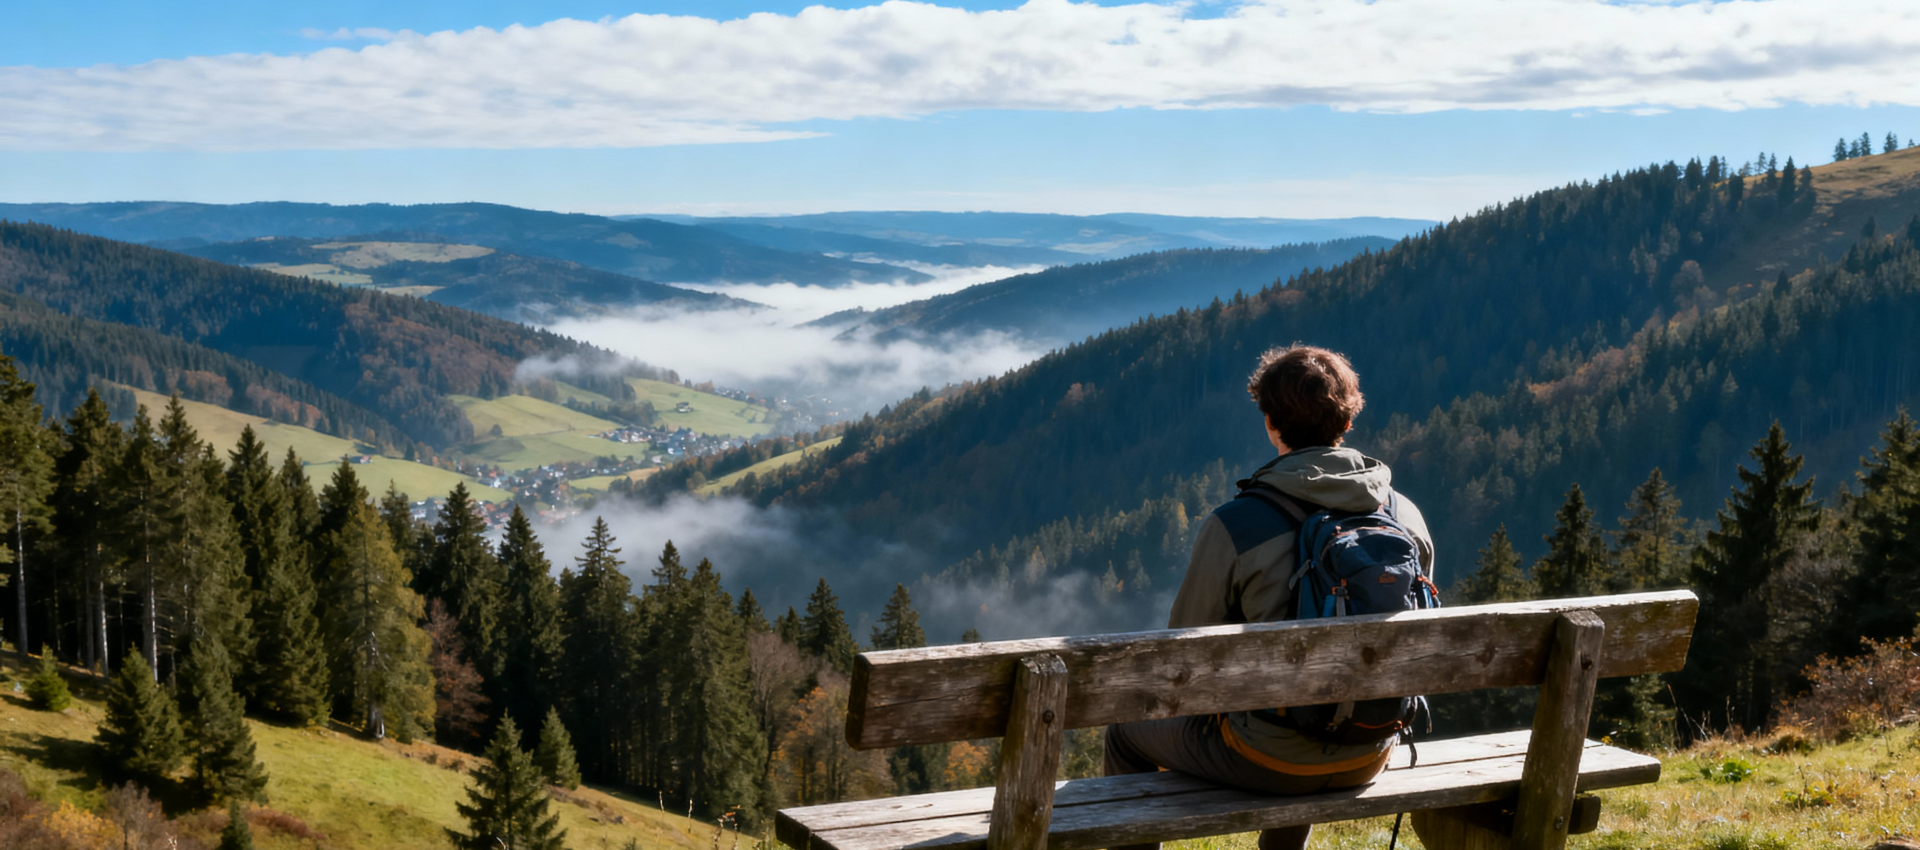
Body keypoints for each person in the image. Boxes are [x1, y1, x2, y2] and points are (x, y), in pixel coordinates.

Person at [1103, 344, 1435, 850]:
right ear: (1347, 418)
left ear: (1269, 421)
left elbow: (1179, 661)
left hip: (1267, 758)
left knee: (1125, 729)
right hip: (1371, 747)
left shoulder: (1236, 524)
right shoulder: (1403, 516)